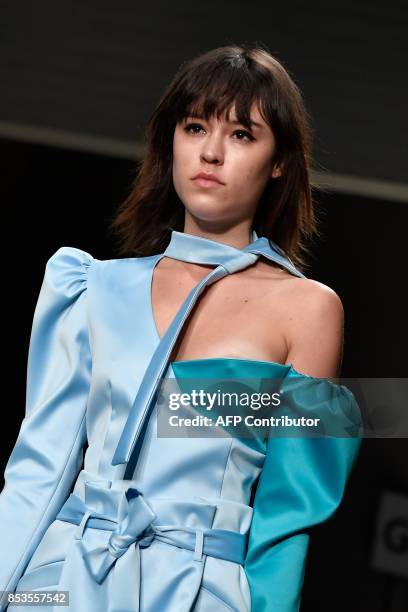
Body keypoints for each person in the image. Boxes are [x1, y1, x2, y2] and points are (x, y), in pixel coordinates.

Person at [0, 44, 362, 611]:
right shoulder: (92, 286)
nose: (211, 152)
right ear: (170, 140)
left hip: (199, 592)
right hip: (62, 580)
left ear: (279, 161)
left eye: (242, 134)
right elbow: (39, 468)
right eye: (194, 127)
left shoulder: (307, 309)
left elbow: (287, 515)